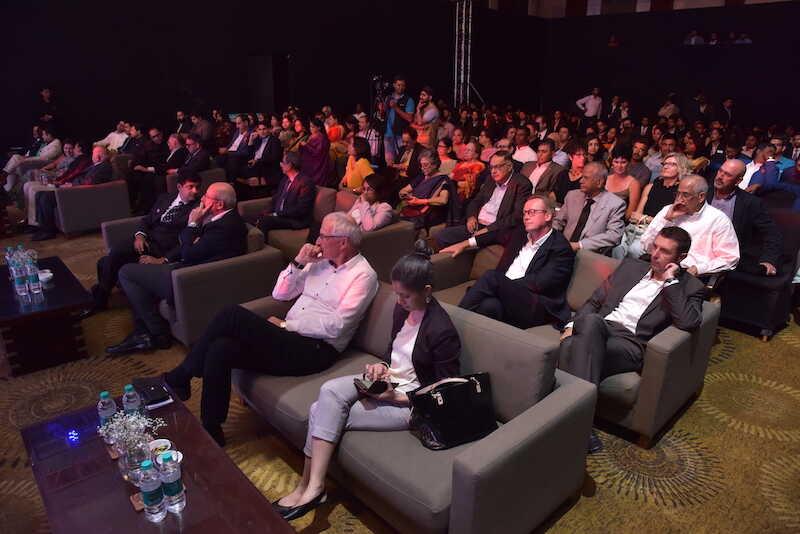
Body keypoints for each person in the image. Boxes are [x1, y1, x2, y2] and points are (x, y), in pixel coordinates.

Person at [272, 242, 456, 520]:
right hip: (388, 383)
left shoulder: (442, 330)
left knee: (318, 410)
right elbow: (394, 353)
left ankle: (310, 488)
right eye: (396, 294)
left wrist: (399, 397)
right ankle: (310, 488)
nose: (399, 301)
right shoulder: (402, 310)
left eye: (405, 296)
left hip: (411, 403)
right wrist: (381, 367)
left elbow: (446, 387)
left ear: (427, 291)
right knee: (329, 391)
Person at [161, 212, 379, 446]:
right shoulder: (320, 263)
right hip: (288, 338)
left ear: (342, 242)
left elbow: (337, 326)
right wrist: (299, 262)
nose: (317, 241)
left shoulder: (363, 276)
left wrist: (286, 325)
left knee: (231, 314)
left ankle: (180, 376)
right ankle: (211, 427)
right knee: (220, 348)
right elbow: (280, 294)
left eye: (323, 236)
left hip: (316, 350)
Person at [559, 226, 704, 453]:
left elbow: (689, 322)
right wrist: (570, 326)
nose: (655, 254)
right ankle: (581, 427)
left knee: (576, 340)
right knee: (581, 331)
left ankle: (563, 418)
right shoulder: (631, 266)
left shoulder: (690, 287)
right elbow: (595, 301)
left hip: (630, 344)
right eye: (655, 247)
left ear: (681, 258)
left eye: (665, 251)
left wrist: (670, 282)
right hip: (598, 328)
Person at [106, 183, 248, 356]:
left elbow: (188, 254)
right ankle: (144, 332)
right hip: (190, 269)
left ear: (219, 204)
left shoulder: (224, 227)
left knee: (126, 272)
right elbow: (191, 246)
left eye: (206, 196)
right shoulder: (226, 219)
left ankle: (158, 333)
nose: (202, 198)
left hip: (188, 279)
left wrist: (192, 224)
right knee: (137, 270)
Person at [443, 195, 574, 329]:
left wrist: (502, 285)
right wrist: (465, 244)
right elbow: (494, 235)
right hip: (507, 297)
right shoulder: (520, 234)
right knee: (489, 307)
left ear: (548, 216)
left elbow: (541, 282)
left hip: (535, 304)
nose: (526, 217)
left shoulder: (560, 248)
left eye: (532, 212)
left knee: (491, 277)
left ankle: (449, 325)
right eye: (524, 213)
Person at [83, 174, 202, 317]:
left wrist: (163, 259)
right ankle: (101, 297)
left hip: (162, 249)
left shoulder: (196, 210)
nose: (195, 191)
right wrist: (140, 235)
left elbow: (188, 241)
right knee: (106, 260)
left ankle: (99, 299)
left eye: (197, 187)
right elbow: (146, 220)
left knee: (110, 258)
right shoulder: (165, 198)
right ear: (179, 187)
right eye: (191, 187)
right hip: (146, 241)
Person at [639, 175, 739, 276]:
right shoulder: (668, 210)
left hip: (687, 273)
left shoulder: (718, 220)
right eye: (678, 194)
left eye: (685, 195)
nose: (679, 199)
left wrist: (699, 269)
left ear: (701, 197)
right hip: (657, 266)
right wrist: (666, 220)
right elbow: (646, 246)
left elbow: (730, 258)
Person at [434, 151, 531, 249]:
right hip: (477, 224)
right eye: (491, 167)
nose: (493, 171)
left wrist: (489, 229)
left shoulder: (522, 184)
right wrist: (471, 217)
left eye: (497, 167)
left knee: (457, 241)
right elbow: (476, 201)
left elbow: (516, 216)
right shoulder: (491, 179)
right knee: (441, 235)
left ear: (509, 167)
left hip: (496, 229)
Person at [707, 159, 780, 276]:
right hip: (699, 250)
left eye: (727, 175)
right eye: (720, 171)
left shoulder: (750, 203)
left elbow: (771, 233)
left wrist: (768, 259)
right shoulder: (703, 193)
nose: (720, 176)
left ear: (738, 181)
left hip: (730, 257)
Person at [32, 146, 113, 241]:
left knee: (46, 197)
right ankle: (41, 226)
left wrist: (71, 185)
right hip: (74, 189)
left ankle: (48, 231)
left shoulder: (104, 166)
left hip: (78, 193)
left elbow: (91, 182)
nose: (92, 156)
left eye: (93, 154)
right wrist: (68, 183)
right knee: (39, 194)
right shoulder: (97, 165)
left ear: (98, 157)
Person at [620, 152, 688, 259]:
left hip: (657, 233)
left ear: (681, 168)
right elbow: (635, 216)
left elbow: (670, 223)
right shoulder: (650, 187)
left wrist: (644, 219)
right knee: (617, 246)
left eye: (672, 164)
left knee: (634, 249)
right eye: (665, 163)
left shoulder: (680, 194)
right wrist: (643, 219)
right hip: (636, 227)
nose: (666, 166)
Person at [553, 162, 626, 254]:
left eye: (586, 178)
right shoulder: (572, 195)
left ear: (599, 183)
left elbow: (614, 236)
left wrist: (579, 245)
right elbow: (557, 222)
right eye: (582, 177)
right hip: (561, 249)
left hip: (589, 254)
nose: (580, 181)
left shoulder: (615, 204)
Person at [255, 152, 315, 239]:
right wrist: (265, 212)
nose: (280, 164)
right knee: (257, 217)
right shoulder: (285, 179)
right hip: (280, 215)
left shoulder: (305, 183)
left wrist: (276, 214)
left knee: (265, 221)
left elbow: (301, 209)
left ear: (289, 165)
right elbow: (275, 199)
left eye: (282, 162)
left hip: (294, 219)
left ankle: (260, 245)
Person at [2, 125, 62, 196]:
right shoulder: (49, 143)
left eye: (43, 134)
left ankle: (4, 177)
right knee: (15, 160)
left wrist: (27, 159)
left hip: (42, 163)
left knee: (15, 161)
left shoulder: (56, 144)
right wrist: (26, 158)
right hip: (35, 160)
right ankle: (6, 186)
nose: (42, 136)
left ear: (49, 135)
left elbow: (44, 158)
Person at [398, 150, 450, 231]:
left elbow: (443, 200)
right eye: (421, 165)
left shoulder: (444, 179)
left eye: (425, 165)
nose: (422, 168)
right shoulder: (422, 176)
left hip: (428, 214)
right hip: (413, 209)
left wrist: (420, 201)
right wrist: (404, 194)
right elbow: (404, 190)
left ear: (435, 164)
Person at [234, 121, 283, 200]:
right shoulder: (257, 140)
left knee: (243, 174)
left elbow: (274, 158)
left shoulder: (275, 141)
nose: (262, 132)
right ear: (257, 130)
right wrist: (251, 140)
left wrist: (257, 161)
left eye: (264, 129)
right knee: (236, 169)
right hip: (255, 164)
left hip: (266, 166)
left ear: (269, 129)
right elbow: (250, 154)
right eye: (260, 129)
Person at [383, 75, 415, 165]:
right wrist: (382, 109)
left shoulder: (409, 100)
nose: (400, 87)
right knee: (389, 162)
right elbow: (384, 114)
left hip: (401, 136)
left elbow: (409, 118)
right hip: (387, 134)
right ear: (394, 85)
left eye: (403, 85)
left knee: (401, 161)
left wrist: (396, 107)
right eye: (398, 85)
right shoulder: (388, 97)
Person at [605, 145, 642, 221]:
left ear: (629, 163)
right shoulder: (606, 178)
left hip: (618, 221)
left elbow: (630, 213)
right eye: (616, 162)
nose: (619, 166)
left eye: (623, 162)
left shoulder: (634, 183)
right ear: (612, 162)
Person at [217, 114, 253, 180]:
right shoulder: (237, 132)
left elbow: (246, 152)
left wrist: (228, 152)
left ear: (246, 123)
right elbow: (231, 144)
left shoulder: (251, 134)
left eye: (239, 124)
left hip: (241, 156)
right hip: (231, 153)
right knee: (219, 158)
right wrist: (226, 149)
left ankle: (231, 181)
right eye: (236, 124)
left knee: (232, 159)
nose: (237, 126)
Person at [299, 118, 333, 187]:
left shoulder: (320, 137)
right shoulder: (313, 136)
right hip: (312, 161)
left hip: (318, 163)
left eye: (313, 127)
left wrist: (306, 145)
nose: (310, 128)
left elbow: (318, 152)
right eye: (310, 126)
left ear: (319, 128)